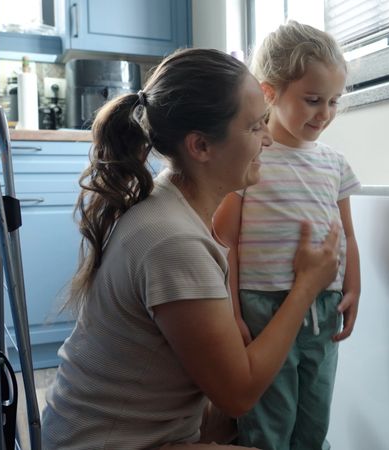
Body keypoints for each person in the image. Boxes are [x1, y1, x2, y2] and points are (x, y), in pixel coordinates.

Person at [40, 48, 342, 450]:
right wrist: (306, 285)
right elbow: (238, 394)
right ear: (200, 146)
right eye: (255, 127)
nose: (269, 139)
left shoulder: (171, 204)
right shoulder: (174, 242)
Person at [213, 21, 361, 450]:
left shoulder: (335, 163)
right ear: (269, 93)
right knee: (270, 420)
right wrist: (232, 311)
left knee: (315, 416)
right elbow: (228, 241)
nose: (325, 114)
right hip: (264, 303)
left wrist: (353, 286)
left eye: (333, 101)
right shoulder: (250, 156)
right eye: (313, 100)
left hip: (324, 304)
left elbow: (346, 234)